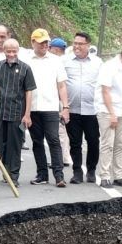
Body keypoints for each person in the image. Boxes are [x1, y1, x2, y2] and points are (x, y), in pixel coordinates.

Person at [0, 38, 36, 187]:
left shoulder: (25, 68)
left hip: (17, 114)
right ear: (3, 51)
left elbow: (29, 91)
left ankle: (12, 177)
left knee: (14, 147)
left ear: (18, 51)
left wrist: (27, 114)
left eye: (14, 51)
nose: (11, 54)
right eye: (8, 51)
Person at [27, 28, 70, 187]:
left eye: (46, 42)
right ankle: (42, 174)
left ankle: (59, 175)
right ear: (33, 43)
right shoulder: (26, 60)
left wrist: (65, 107)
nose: (44, 45)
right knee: (37, 141)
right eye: (41, 42)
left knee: (54, 139)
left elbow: (62, 86)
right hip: (32, 108)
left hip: (51, 107)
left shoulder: (56, 60)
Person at [95, 42, 122, 188]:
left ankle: (118, 175)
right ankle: (105, 176)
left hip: (121, 111)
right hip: (107, 110)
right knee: (107, 144)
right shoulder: (109, 66)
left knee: (120, 144)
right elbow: (105, 91)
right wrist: (112, 114)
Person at [63, 32, 102, 184]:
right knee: (75, 142)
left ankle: (91, 170)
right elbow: (61, 84)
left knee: (93, 141)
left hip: (92, 109)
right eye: (75, 43)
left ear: (88, 45)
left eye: (80, 44)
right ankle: (77, 171)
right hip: (72, 109)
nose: (77, 46)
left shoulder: (97, 63)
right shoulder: (65, 61)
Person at [48, 37, 73, 168]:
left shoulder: (57, 61)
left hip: (58, 100)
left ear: (55, 49)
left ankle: (64, 157)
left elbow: (61, 84)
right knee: (62, 129)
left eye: (50, 47)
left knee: (60, 130)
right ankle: (65, 156)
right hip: (63, 100)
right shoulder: (66, 60)